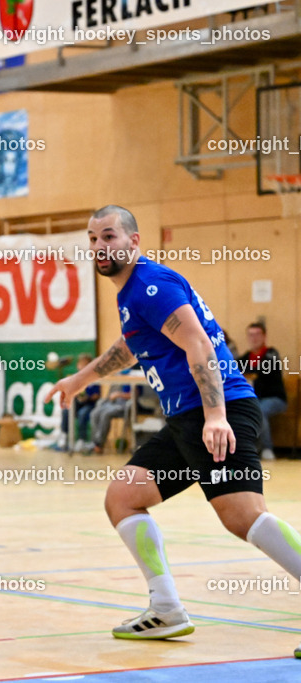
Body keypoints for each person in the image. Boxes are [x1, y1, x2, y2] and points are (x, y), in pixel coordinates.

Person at [47, 205, 301, 656]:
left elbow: (198, 342)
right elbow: (131, 346)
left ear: (133, 241)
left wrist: (216, 415)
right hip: (187, 418)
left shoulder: (149, 285)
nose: (100, 247)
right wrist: (79, 379)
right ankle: (166, 608)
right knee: (123, 496)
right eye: (92, 239)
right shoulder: (134, 295)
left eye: (109, 236)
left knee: (243, 516)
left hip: (217, 411)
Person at [236, 321, 287, 460]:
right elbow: (234, 370)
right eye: (251, 335)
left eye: (257, 334)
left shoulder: (271, 354)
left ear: (264, 337)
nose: (254, 338)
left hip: (274, 398)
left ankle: (267, 449)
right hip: (254, 398)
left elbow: (262, 372)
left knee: (259, 409)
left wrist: (248, 374)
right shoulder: (245, 357)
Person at [58, 352, 99, 452]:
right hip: (78, 403)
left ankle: (82, 440)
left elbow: (97, 395)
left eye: (85, 364)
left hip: (90, 404)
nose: (82, 366)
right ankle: (65, 437)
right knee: (66, 411)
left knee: (83, 414)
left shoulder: (95, 377)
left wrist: (87, 398)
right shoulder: (75, 378)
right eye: (81, 364)